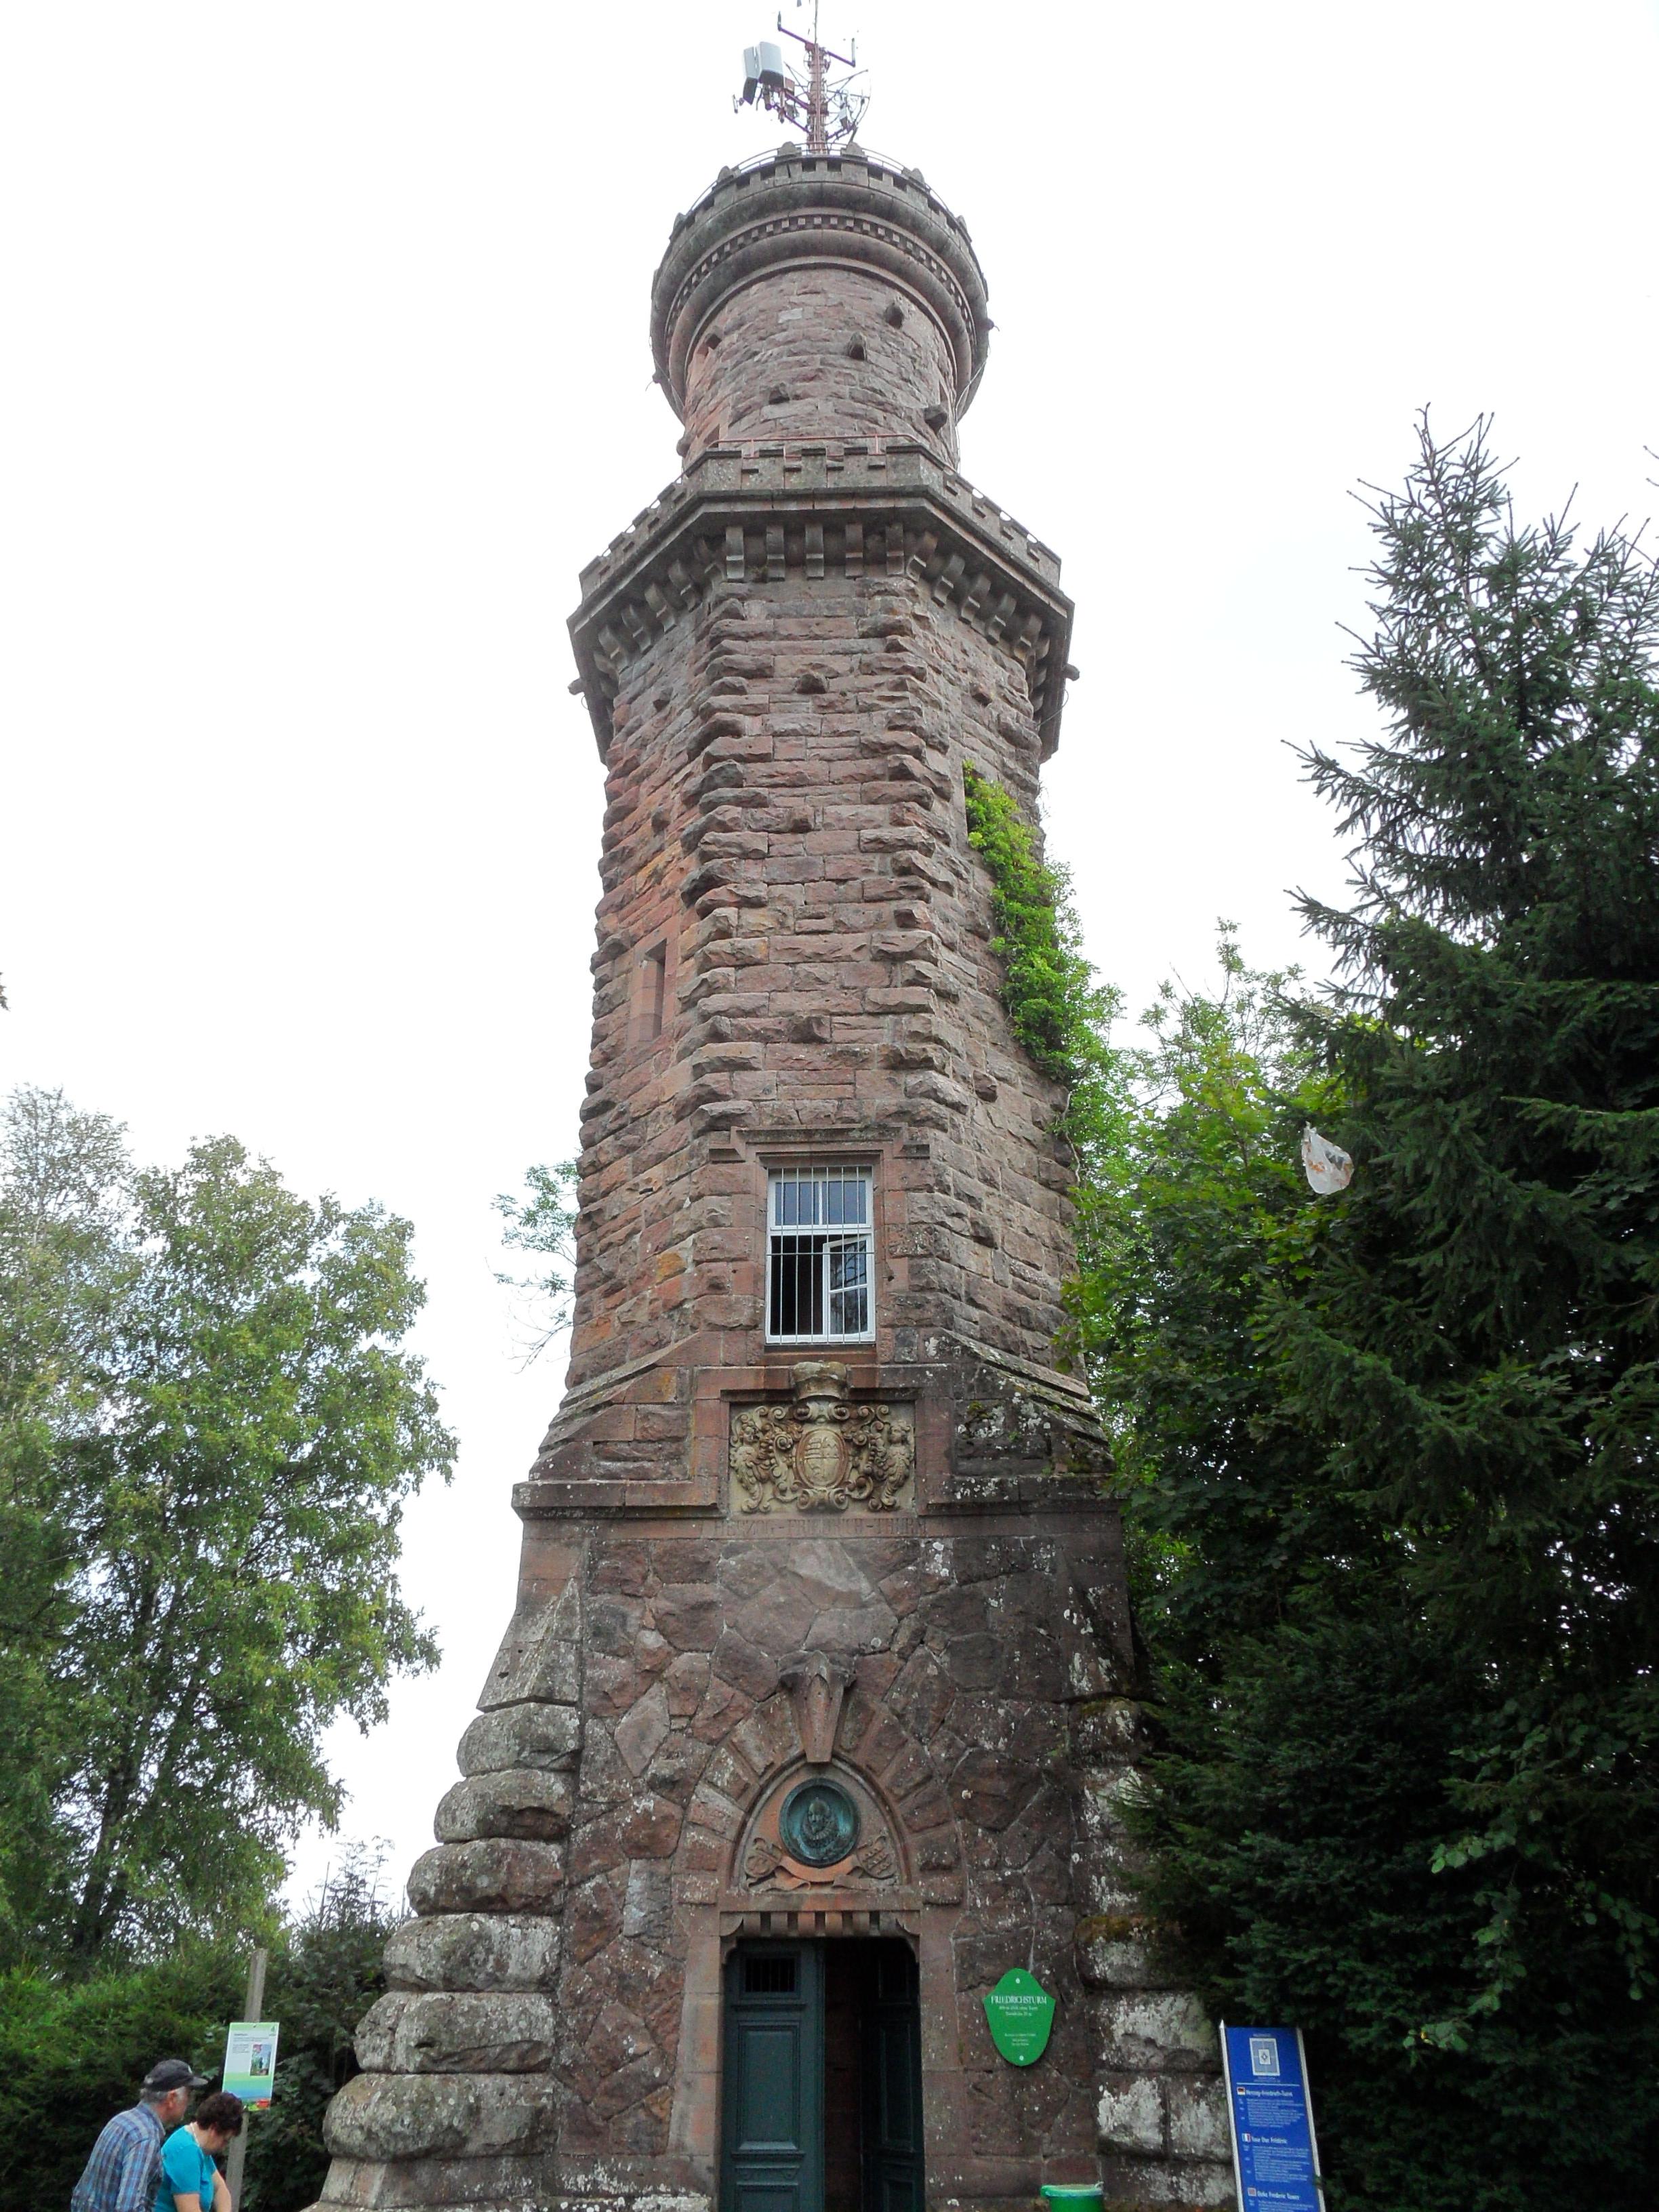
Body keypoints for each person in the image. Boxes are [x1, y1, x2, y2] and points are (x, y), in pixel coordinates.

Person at [71, 2060, 210, 2212]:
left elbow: (81, 2195)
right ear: (171, 2099)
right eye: (189, 2095)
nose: (190, 2102)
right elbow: (128, 2208)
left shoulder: (122, 2120)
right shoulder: (146, 2139)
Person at [155, 2090, 243, 2212]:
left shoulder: (199, 2146)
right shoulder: (186, 2151)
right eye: (225, 2140)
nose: (223, 2147)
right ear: (214, 2129)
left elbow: (220, 2189)